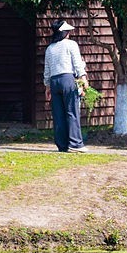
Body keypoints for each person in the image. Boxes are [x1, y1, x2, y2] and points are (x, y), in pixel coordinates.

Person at [43, 20, 87, 153]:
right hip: (67, 79)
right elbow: (77, 63)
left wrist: (47, 87)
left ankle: (62, 145)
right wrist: (83, 77)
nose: (69, 33)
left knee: (58, 114)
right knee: (72, 112)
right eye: (67, 31)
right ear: (64, 32)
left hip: (54, 81)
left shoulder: (50, 48)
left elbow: (47, 70)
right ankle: (75, 144)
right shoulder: (71, 45)